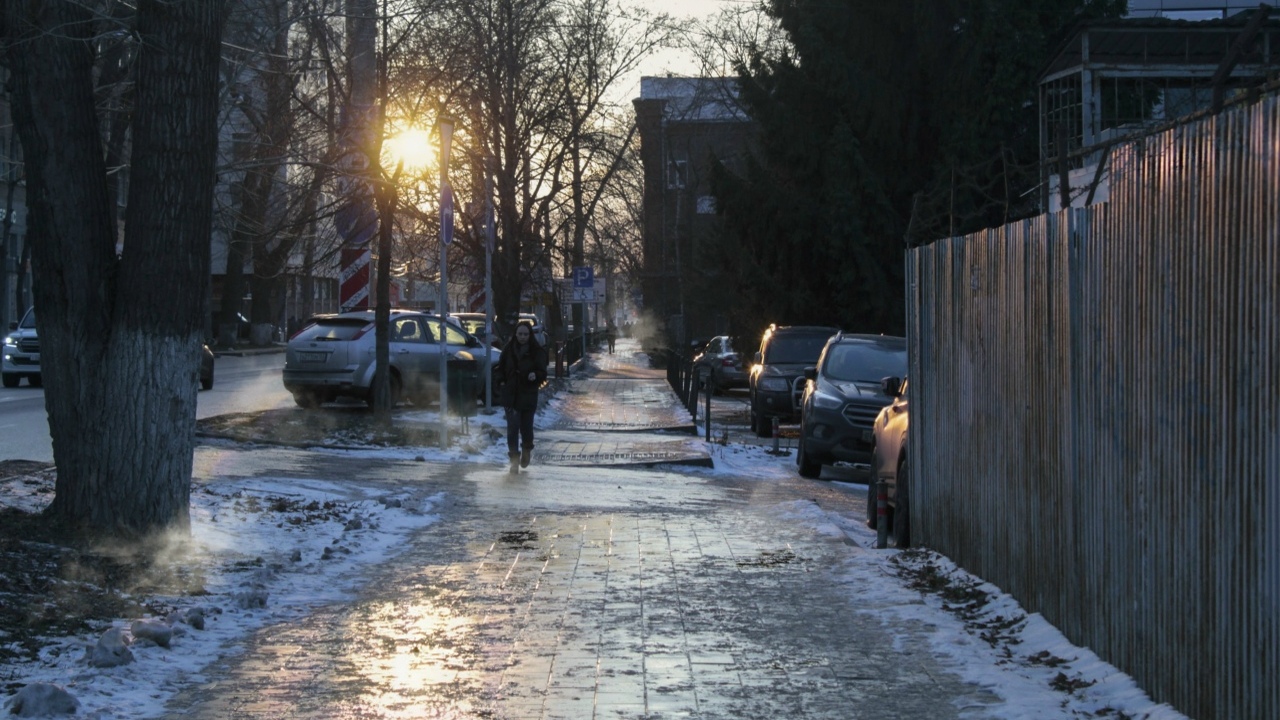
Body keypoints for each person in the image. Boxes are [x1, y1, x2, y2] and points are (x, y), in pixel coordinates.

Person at [498, 320, 549, 473]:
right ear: (515, 334)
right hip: (511, 395)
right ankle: (514, 460)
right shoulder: (508, 350)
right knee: (512, 429)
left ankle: (526, 448)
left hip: (528, 395)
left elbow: (543, 373)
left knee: (526, 428)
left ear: (530, 335)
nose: (522, 337)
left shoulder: (536, 351)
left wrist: (536, 375)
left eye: (525, 334)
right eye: (519, 334)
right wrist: (500, 381)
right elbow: (500, 369)